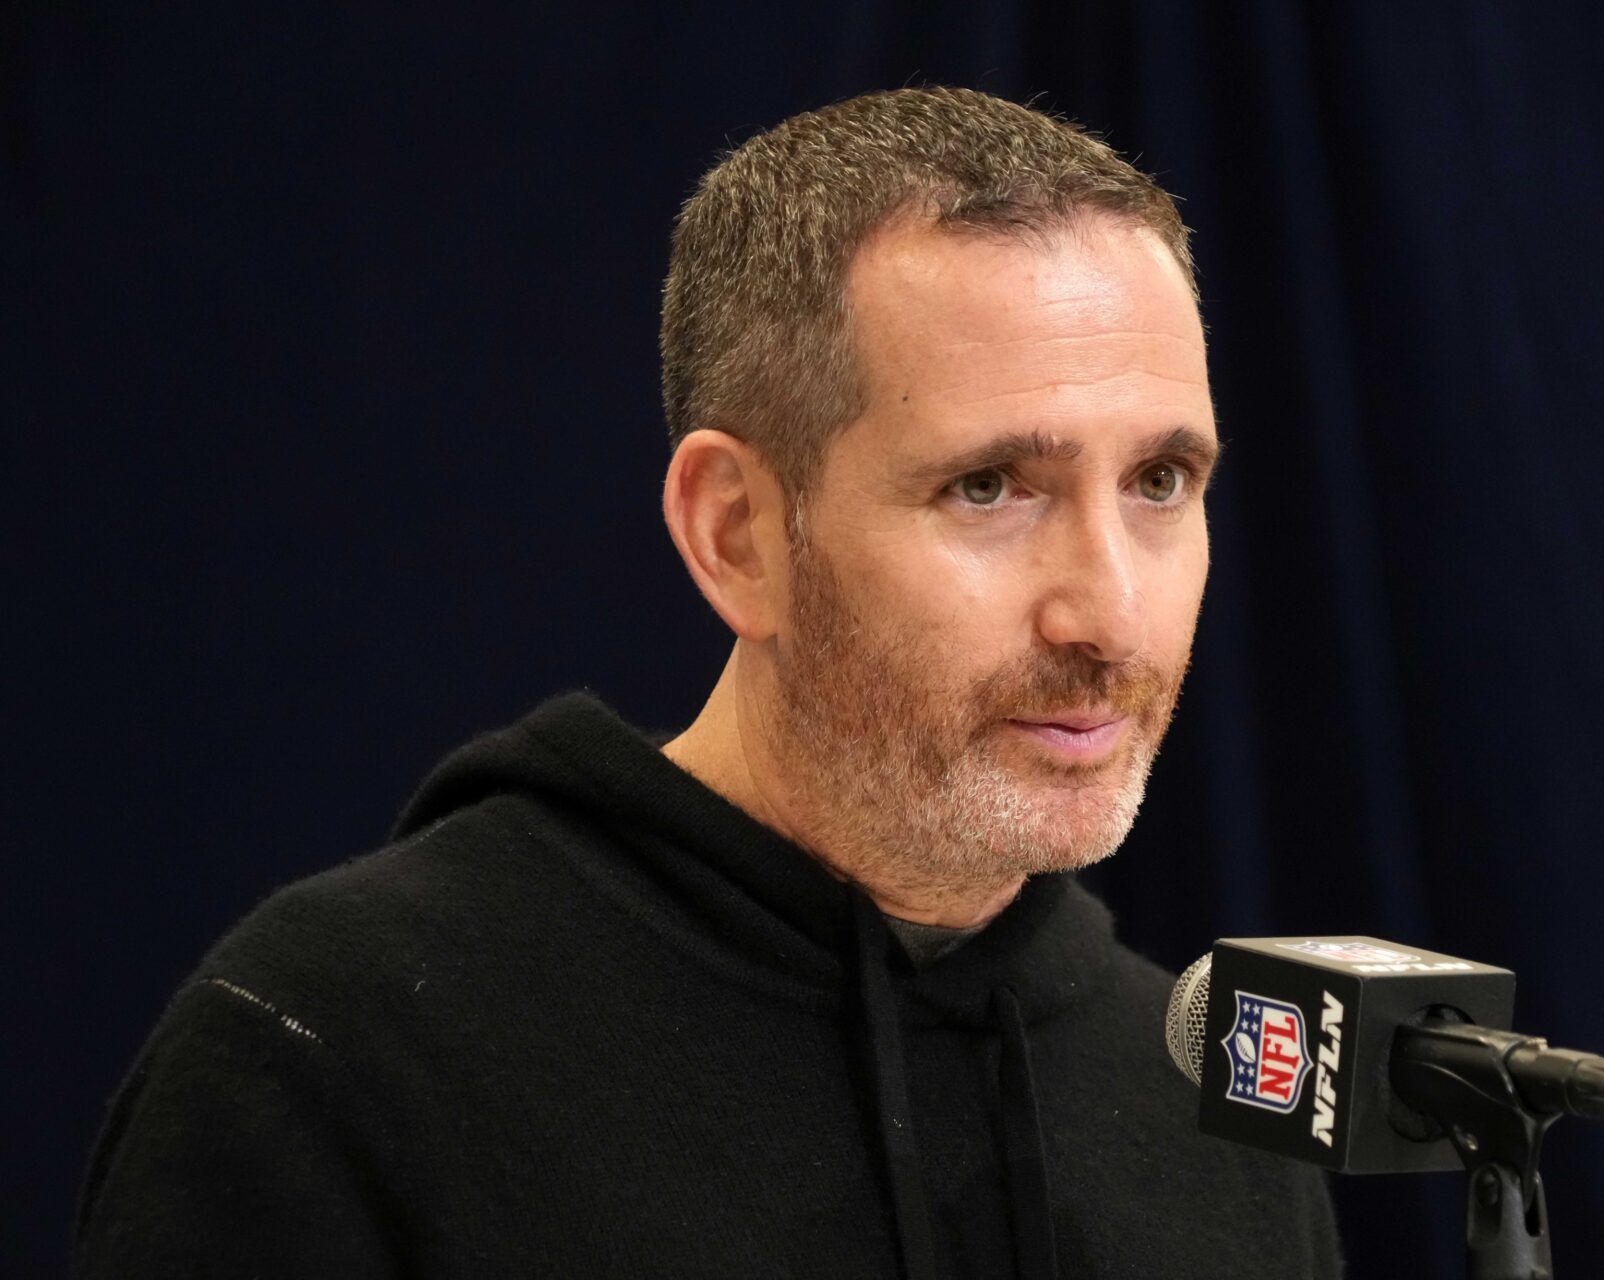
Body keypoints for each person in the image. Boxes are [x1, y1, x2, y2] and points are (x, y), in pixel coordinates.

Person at [74, 87, 1341, 1278]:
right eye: (989, 487)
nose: (1112, 611)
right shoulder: (335, 1054)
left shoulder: (1215, 1103)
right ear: (736, 532)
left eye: (1161, 481)